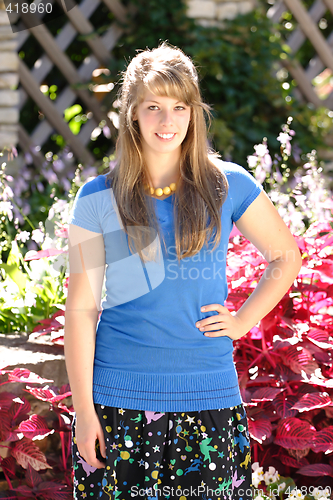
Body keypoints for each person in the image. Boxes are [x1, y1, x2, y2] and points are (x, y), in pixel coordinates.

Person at [64, 42, 302, 500]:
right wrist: (84, 411)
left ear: (194, 113)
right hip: (117, 403)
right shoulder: (97, 197)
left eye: (179, 107)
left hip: (208, 398)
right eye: (152, 107)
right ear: (132, 113)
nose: (166, 121)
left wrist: (242, 321)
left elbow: (285, 257)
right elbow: (80, 309)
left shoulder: (228, 184)